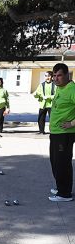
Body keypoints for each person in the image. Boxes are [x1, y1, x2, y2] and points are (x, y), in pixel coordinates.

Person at [48, 63, 75, 202]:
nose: (55, 78)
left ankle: (65, 194)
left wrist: (71, 123)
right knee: (55, 161)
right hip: (56, 132)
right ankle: (61, 186)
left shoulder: (72, 89)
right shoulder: (60, 88)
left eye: (59, 75)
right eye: (54, 75)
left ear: (67, 75)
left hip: (65, 134)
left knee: (62, 162)